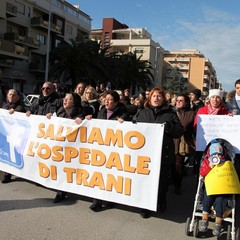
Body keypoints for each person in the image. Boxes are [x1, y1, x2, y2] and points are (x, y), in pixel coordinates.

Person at [136, 87, 183, 218]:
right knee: (145, 180)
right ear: (149, 98)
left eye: (159, 96)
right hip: (145, 154)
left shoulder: (171, 113)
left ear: (163, 99)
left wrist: (170, 127)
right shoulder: (142, 113)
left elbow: (179, 131)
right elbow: (133, 128)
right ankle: (145, 206)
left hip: (163, 153)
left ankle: (161, 200)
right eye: (154, 96)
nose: (156, 98)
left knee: (162, 181)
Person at [88, 90, 130, 212]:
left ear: (116, 102)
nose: (106, 101)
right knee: (99, 175)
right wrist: (91, 119)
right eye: (105, 99)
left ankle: (111, 199)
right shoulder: (101, 112)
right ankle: (97, 201)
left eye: (110, 99)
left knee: (111, 176)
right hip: (101, 150)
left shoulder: (123, 114)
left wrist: (124, 123)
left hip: (114, 151)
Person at [46, 93, 85, 203]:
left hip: (70, 147)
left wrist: (80, 119)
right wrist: (49, 117)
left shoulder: (78, 113)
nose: (65, 101)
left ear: (74, 102)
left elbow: (85, 122)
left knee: (66, 169)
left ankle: (61, 192)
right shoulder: (59, 111)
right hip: (58, 145)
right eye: (65, 98)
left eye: (68, 99)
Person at [193, 89, 231, 174]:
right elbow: (196, 127)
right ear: (209, 99)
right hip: (203, 144)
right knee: (201, 168)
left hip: (220, 146)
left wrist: (230, 119)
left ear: (221, 99)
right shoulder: (202, 110)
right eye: (213, 97)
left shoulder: (226, 111)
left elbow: (229, 129)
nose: (215, 99)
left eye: (218, 97)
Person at [199, 142, 233, 237]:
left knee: (220, 201)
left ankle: (218, 224)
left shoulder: (226, 162)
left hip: (222, 189)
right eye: (215, 155)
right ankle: (204, 220)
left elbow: (230, 174)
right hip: (211, 188)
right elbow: (202, 173)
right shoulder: (207, 161)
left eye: (219, 155)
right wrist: (209, 166)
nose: (217, 156)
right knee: (206, 199)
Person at [1, 89, 26, 183]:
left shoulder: (20, 107)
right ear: (7, 96)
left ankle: (8, 175)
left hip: (15, 136)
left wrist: (15, 112)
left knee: (13, 155)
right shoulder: (4, 106)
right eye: (10, 94)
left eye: (14, 95)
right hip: (4, 134)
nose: (11, 96)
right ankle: (6, 173)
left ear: (18, 97)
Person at [173, 94, 195, 194]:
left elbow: (184, 125)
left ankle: (177, 185)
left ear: (186, 102)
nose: (178, 102)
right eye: (177, 100)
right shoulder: (171, 111)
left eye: (181, 100)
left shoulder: (191, 113)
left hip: (182, 143)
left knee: (179, 165)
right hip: (170, 142)